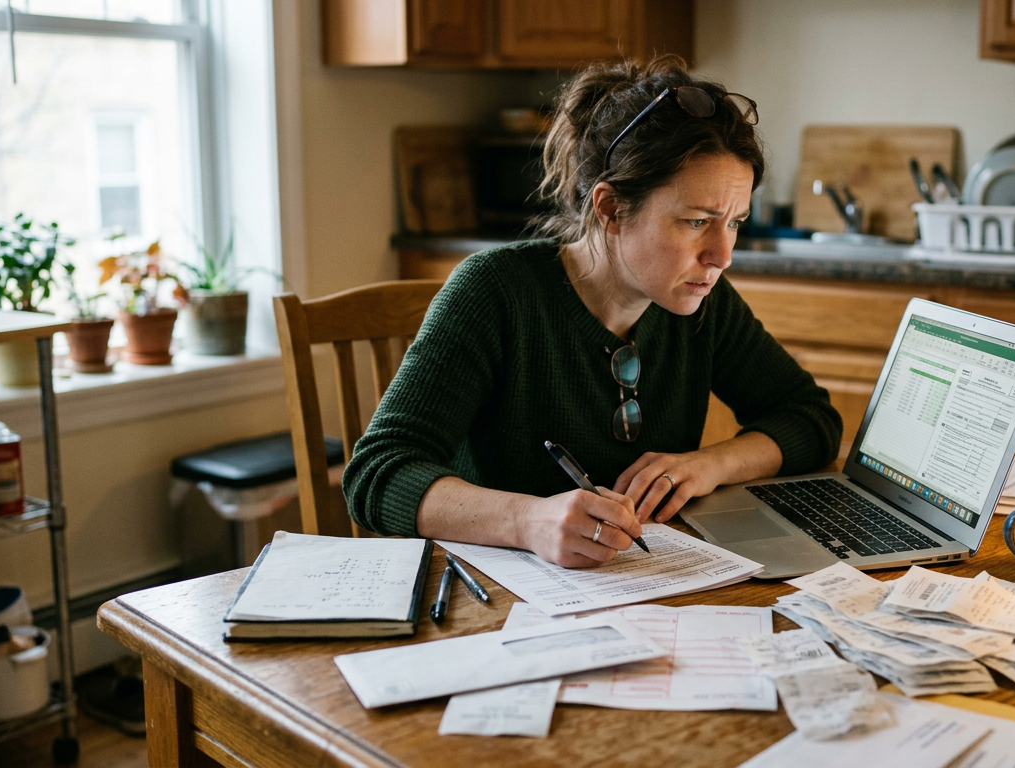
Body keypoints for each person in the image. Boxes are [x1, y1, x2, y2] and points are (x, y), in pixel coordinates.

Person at [344, 56, 842, 567]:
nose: (722, 255)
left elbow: (812, 420)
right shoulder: (495, 292)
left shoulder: (702, 303)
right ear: (609, 209)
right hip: (497, 600)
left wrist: (711, 464)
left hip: (642, 589)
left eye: (735, 222)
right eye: (696, 222)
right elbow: (377, 473)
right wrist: (528, 521)